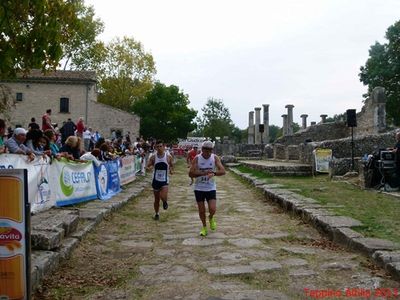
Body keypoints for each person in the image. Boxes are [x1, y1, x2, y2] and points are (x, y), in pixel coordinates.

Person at [189, 140, 226, 237]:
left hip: (210, 187)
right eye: (206, 150)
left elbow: (222, 171)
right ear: (202, 149)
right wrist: (203, 173)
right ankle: (204, 227)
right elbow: (190, 173)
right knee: (201, 211)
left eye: (210, 150)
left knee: (212, 209)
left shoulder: (215, 158)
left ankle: (211, 217)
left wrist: (213, 173)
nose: (208, 152)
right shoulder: (197, 159)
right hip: (199, 188)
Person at [146, 140, 174, 220]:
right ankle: (157, 214)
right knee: (156, 199)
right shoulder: (153, 157)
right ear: (155, 148)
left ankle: (165, 202)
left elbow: (171, 165)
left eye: (160, 146)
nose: (159, 148)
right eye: (157, 147)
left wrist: (171, 170)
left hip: (165, 180)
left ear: (164, 147)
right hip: (155, 180)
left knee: (163, 195)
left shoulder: (168, 157)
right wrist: (149, 168)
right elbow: (147, 166)